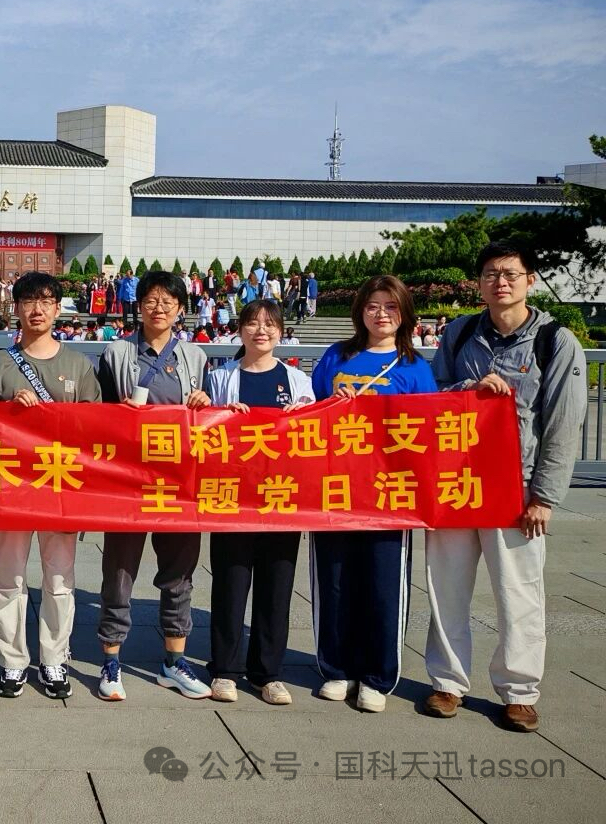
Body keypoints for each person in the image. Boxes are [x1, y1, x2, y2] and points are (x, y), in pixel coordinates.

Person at [423, 241, 587, 732]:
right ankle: (447, 682)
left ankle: (519, 692)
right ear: (479, 283)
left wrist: (545, 497)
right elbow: (432, 398)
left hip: (515, 489)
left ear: (530, 280)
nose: (501, 282)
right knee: (446, 589)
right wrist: (468, 390)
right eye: (491, 274)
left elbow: (563, 423)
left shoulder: (555, 341)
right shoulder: (459, 333)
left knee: (519, 593)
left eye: (511, 273)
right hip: (456, 484)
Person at [310, 274, 435, 713]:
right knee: (335, 581)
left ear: (405, 314)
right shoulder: (336, 356)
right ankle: (337, 668)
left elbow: (430, 431)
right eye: (373, 305)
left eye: (391, 306)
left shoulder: (414, 368)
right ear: (360, 311)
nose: (381, 314)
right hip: (336, 489)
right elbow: (309, 415)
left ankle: (377, 677)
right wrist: (333, 403)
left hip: (389, 495)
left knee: (383, 585)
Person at [0, 271, 101, 699]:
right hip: (11, 484)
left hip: (59, 485)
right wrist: (9, 411)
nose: (37, 309)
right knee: (8, 577)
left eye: (46, 301)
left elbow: (94, 428)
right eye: (29, 301)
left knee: (60, 578)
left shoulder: (78, 365)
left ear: (57, 308)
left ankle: (53, 658)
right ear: (15, 307)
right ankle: (12, 661)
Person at [94, 271, 212, 702]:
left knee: (179, 571)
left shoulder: (195, 357)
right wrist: (118, 411)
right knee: (119, 570)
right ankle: (111, 659)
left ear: (180, 308)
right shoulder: (117, 351)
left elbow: (209, 420)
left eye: (168, 301)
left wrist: (203, 403)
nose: (158, 308)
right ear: (138, 305)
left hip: (179, 481)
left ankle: (174, 661)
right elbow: (97, 412)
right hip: (128, 480)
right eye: (150, 300)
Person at [205, 300, 315, 705]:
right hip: (232, 498)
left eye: (269, 324)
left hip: (282, 497)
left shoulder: (298, 381)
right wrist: (220, 412)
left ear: (281, 332)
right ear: (240, 330)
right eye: (252, 323)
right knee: (230, 583)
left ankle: (268, 673)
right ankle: (225, 669)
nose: (261, 330)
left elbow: (315, 437)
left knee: (277, 585)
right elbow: (202, 429)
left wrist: (305, 414)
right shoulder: (221, 378)